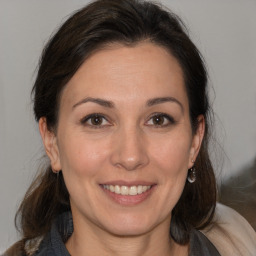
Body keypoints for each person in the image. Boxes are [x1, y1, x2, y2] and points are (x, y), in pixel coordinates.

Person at [3, 0, 256, 255]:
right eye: (97, 120)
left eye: (158, 119)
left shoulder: (240, 244)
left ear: (195, 140)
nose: (130, 156)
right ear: (52, 141)